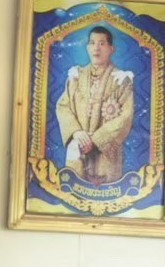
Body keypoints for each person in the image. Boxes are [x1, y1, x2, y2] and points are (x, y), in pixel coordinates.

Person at [56, 26, 133, 185]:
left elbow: (125, 117)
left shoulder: (121, 80)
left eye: (102, 43)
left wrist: (96, 140)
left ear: (111, 49)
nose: (96, 48)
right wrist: (76, 132)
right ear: (87, 48)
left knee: (105, 192)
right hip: (78, 147)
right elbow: (63, 106)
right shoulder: (76, 77)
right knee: (74, 190)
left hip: (106, 154)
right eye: (92, 43)